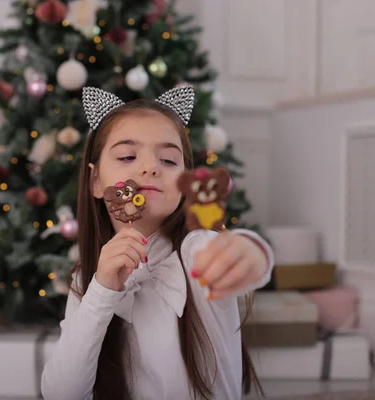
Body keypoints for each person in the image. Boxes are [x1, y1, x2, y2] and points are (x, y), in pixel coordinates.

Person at [40, 85, 275, 400]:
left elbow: (235, 254)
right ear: (96, 181)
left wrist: (252, 252)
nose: (150, 167)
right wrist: (102, 291)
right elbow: (61, 394)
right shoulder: (88, 279)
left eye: (168, 160)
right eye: (127, 156)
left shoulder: (195, 253)